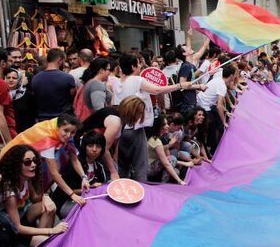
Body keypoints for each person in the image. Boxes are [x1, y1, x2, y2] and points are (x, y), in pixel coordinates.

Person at [114, 53, 199, 181]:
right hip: (135, 129)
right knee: (140, 166)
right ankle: (144, 194)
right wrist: (180, 85)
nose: (141, 67)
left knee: (123, 166)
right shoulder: (137, 80)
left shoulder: (117, 83)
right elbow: (157, 90)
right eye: (138, 64)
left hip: (121, 129)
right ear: (133, 66)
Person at [0, 113, 90, 207]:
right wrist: (72, 195)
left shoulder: (61, 131)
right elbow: (54, 173)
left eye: (72, 133)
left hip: (28, 165)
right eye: (66, 131)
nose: (68, 135)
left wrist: (84, 177)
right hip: (12, 165)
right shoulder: (48, 140)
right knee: (19, 200)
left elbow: (74, 159)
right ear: (58, 127)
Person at [0, 145, 68, 247]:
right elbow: (17, 227)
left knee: (49, 206)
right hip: (13, 229)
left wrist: (46, 196)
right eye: (27, 162)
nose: (33, 164)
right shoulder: (10, 193)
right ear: (16, 165)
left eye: (34, 160)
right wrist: (52, 230)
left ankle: (40, 239)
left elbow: (35, 198)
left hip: (25, 217)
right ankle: (40, 241)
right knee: (51, 244)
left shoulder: (26, 178)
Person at [53, 131, 110, 218]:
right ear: (84, 147)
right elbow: (67, 190)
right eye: (90, 146)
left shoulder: (99, 166)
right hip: (65, 202)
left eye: (98, 146)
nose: (94, 149)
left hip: (87, 199)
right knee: (93, 212)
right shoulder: (74, 165)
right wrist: (91, 188)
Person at [31, 48, 76, 122]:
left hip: (42, 119)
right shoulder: (67, 78)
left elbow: (34, 98)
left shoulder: (35, 78)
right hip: (62, 119)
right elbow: (73, 95)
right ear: (60, 60)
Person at [146, 115, 187, 185]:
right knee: (172, 159)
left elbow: (166, 154)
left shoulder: (156, 138)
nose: (168, 126)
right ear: (159, 127)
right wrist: (179, 181)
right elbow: (166, 163)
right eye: (165, 124)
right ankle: (163, 184)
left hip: (151, 167)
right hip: (148, 169)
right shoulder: (156, 140)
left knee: (176, 171)